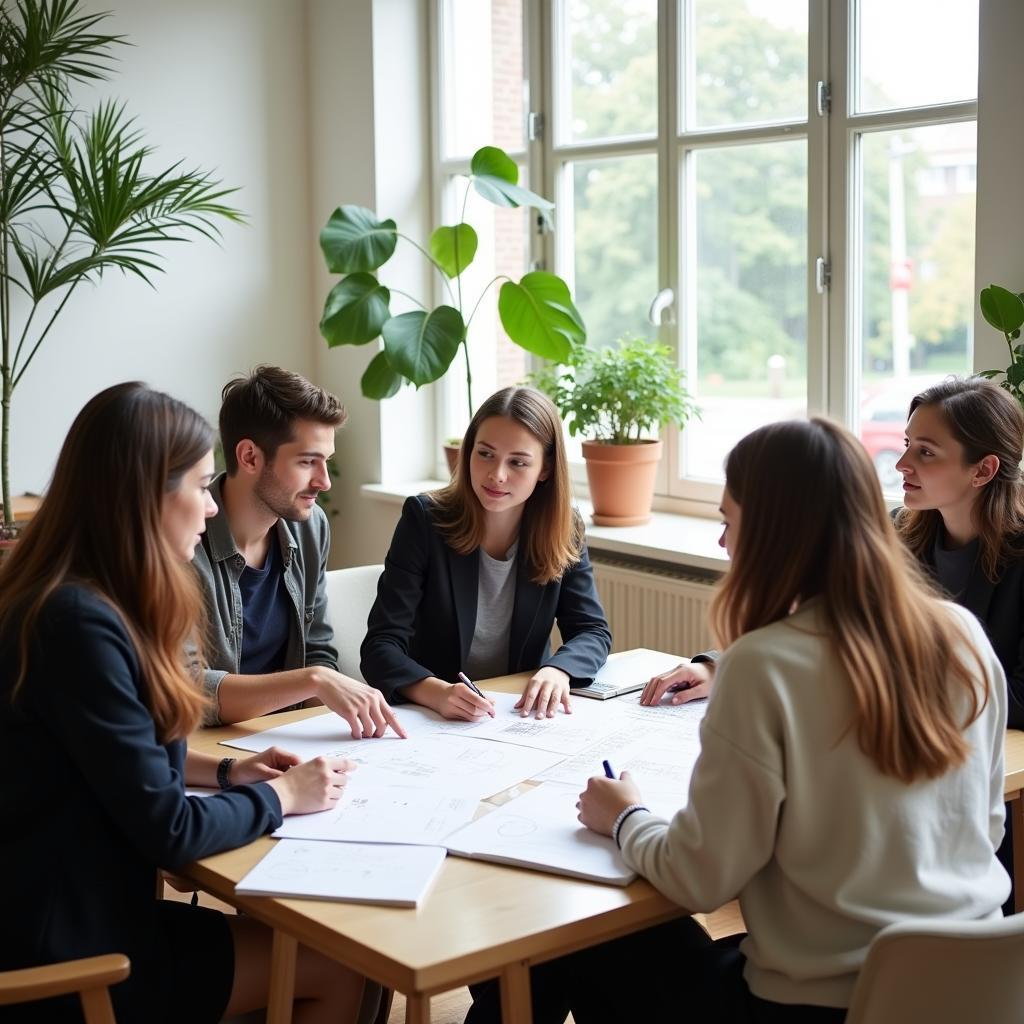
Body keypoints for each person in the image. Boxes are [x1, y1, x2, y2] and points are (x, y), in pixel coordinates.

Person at [569, 418, 1008, 1023]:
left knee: (585, 938)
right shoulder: (962, 635)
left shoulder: (763, 663)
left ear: (773, 531)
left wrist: (625, 817)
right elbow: (988, 828)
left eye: (728, 521)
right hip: (970, 989)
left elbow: (700, 880)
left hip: (818, 1005)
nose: (723, 544)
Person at [0, 383, 365, 1024]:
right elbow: (170, 832)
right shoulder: (81, 624)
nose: (208, 506)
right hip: (66, 955)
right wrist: (283, 796)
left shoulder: (73, 595)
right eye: (200, 486)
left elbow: (115, 757)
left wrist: (228, 771)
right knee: (339, 965)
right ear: (146, 495)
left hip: (56, 907)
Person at [361, 385, 611, 721]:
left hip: (516, 714)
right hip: (432, 717)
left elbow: (591, 631)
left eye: (518, 462)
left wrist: (559, 671)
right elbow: (381, 646)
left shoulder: (566, 527)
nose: (497, 475)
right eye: (485, 453)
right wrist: (435, 693)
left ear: (546, 470)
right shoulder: (424, 520)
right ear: (468, 452)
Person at [192, 365, 404, 739]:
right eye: (307, 461)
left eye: (326, 460)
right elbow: (190, 690)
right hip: (210, 746)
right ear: (250, 457)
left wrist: (343, 719)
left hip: (286, 737)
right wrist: (314, 681)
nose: (323, 480)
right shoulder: (184, 541)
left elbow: (316, 649)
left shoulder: (310, 526)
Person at [893, 375, 1024, 912]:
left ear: (983, 469)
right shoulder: (896, 534)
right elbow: (816, 626)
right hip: (904, 763)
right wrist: (720, 667)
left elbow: (1019, 697)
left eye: (925, 452)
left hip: (986, 784)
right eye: (906, 446)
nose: (903, 465)